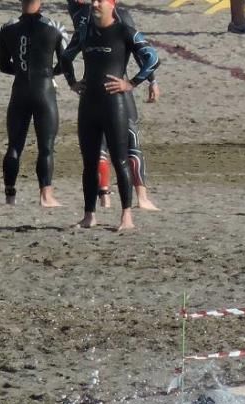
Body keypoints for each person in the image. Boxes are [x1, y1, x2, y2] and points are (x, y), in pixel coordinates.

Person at [60, 0, 159, 231]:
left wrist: (131, 83)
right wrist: (72, 82)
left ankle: (126, 216)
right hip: (88, 104)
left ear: (111, 4)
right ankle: (89, 215)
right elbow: (66, 57)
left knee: (120, 159)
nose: (94, 4)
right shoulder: (85, 32)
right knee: (89, 163)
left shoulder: (124, 31)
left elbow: (152, 59)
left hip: (115, 105)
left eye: (99, 0)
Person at [0, 0, 69, 207]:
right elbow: (65, 63)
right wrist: (47, 72)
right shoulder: (55, 27)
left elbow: (4, 66)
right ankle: (45, 195)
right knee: (46, 148)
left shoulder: (7, 29)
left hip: (19, 90)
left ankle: (10, 196)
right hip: (44, 90)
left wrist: (23, 71)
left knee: (14, 146)